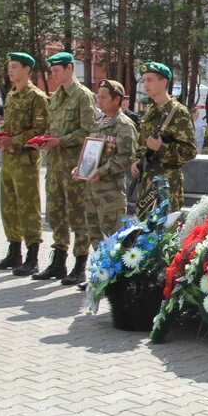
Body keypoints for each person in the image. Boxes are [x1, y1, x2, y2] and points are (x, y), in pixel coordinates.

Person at [28, 52, 97, 282]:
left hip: (74, 167)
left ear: (70, 68)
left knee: (78, 215)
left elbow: (88, 131)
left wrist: (61, 141)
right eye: (52, 71)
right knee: (56, 214)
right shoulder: (56, 96)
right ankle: (58, 262)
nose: (53, 74)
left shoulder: (83, 96)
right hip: (55, 166)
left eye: (57, 70)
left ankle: (79, 265)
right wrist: (45, 140)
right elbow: (52, 126)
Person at [71, 79, 138, 285]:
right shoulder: (99, 123)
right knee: (95, 234)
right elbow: (90, 152)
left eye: (103, 97)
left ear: (116, 99)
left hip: (110, 192)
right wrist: (80, 168)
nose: (98, 100)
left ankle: (119, 279)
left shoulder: (124, 125)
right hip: (91, 190)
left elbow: (127, 156)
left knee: (114, 237)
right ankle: (101, 274)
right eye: (97, 96)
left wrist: (102, 171)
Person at [0, 52, 49, 274]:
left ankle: (33, 257)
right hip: (9, 160)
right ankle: (14, 252)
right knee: (9, 207)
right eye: (9, 67)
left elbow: (39, 131)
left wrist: (12, 141)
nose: (10, 71)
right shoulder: (12, 95)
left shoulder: (37, 97)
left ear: (27, 70)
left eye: (14, 66)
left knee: (28, 208)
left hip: (25, 161)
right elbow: (10, 128)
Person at [131, 62, 197, 212]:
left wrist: (162, 147)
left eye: (150, 80)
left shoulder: (178, 112)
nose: (145, 84)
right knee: (144, 231)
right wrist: (136, 161)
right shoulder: (150, 111)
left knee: (166, 232)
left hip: (167, 185)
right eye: (144, 80)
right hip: (146, 184)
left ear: (164, 82)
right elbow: (142, 144)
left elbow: (190, 152)